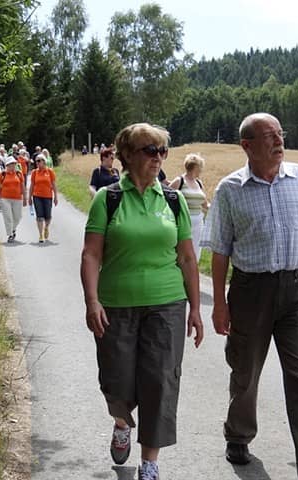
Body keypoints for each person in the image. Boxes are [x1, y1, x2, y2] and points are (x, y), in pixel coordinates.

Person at [201, 113, 298, 480]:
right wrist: (220, 304)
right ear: (247, 146)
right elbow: (220, 252)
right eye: (269, 136)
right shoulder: (230, 189)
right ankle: (238, 434)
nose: (279, 141)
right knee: (245, 372)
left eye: (280, 133)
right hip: (250, 291)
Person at [80, 123, 204, 480]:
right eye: (150, 150)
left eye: (162, 150)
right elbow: (91, 254)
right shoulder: (108, 199)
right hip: (116, 304)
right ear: (128, 155)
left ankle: (150, 463)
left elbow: (187, 258)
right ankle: (122, 422)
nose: (158, 157)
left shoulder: (173, 200)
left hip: (167, 303)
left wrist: (196, 308)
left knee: (161, 380)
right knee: (117, 379)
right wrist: (92, 301)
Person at [169, 153, 209, 261]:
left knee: (195, 251)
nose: (201, 170)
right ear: (196, 167)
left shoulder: (199, 183)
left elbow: (205, 204)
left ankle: (193, 270)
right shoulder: (179, 181)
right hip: (183, 222)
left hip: (198, 224)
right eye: (200, 167)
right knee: (182, 251)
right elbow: (166, 198)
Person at [0, 156, 27, 243]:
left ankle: (13, 229)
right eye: (11, 164)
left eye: (14, 164)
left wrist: (25, 198)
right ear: (7, 165)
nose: (13, 166)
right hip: (5, 198)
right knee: (8, 216)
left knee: (18, 216)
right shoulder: (2, 174)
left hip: (17, 198)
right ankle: (10, 234)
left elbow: (23, 186)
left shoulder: (19, 174)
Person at [28, 154, 58, 243]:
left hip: (48, 196)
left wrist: (56, 196)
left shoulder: (50, 172)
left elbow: (54, 185)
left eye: (39, 161)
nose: (37, 163)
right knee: (39, 216)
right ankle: (40, 235)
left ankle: (46, 227)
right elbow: (32, 185)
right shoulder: (34, 172)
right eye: (36, 161)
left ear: (44, 161)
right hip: (37, 196)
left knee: (48, 216)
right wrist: (29, 197)